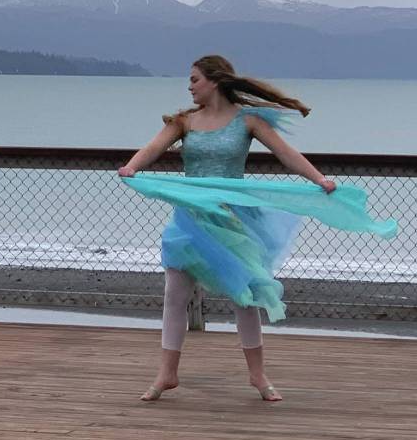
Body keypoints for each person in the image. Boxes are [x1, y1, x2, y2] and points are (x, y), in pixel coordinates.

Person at [118, 54, 396, 403]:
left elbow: (286, 153)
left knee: (244, 296)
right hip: (191, 219)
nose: (189, 86)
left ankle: (258, 376)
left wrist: (319, 179)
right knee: (175, 294)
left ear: (214, 81)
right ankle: (166, 374)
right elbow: (154, 147)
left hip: (233, 218)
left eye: (194, 80)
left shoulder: (247, 120)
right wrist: (131, 167)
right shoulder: (183, 122)